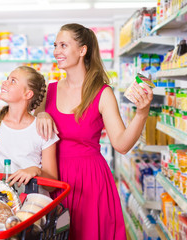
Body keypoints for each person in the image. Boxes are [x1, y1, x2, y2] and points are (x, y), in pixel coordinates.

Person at [35, 23, 153, 240]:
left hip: (90, 182)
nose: (56, 51)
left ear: (82, 50)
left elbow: (121, 144)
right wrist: (39, 114)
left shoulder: (102, 93)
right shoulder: (47, 91)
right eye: (55, 45)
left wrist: (141, 114)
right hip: (53, 178)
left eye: (63, 45)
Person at [0, 66, 58, 193]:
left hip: (33, 202)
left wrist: (36, 170)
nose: (5, 82)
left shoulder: (42, 129)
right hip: (1, 199)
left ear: (28, 94)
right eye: (7, 79)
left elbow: (52, 185)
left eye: (13, 81)